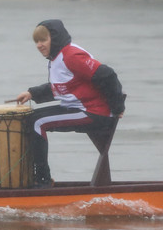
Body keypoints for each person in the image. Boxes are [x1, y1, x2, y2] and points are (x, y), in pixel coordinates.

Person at [12, 19, 125, 188]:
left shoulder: (71, 56)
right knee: (30, 117)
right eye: (36, 41)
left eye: (43, 40)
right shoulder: (56, 59)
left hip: (94, 112)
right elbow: (64, 87)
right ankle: (35, 177)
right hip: (78, 108)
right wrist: (32, 93)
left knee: (37, 122)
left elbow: (108, 75)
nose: (39, 45)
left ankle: (43, 181)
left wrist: (117, 108)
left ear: (55, 38)